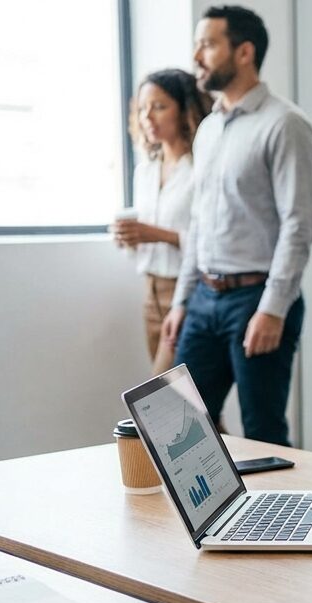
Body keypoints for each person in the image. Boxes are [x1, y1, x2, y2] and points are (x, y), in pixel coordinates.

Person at [161, 5, 312, 446]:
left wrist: (273, 308)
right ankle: (207, 517)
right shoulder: (208, 128)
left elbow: (297, 226)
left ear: (244, 51)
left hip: (257, 298)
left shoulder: (285, 125)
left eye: (208, 44)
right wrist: (181, 301)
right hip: (204, 300)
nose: (197, 55)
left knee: (263, 433)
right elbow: (199, 222)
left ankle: (278, 516)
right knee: (178, 427)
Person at [115, 69, 212, 375]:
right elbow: (141, 248)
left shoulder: (201, 169)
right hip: (151, 292)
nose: (148, 117)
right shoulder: (145, 171)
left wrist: (155, 233)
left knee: (168, 398)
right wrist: (129, 239)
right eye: (143, 109)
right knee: (187, 406)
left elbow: (207, 239)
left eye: (159, 106)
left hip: (188, 291)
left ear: (185, 110)